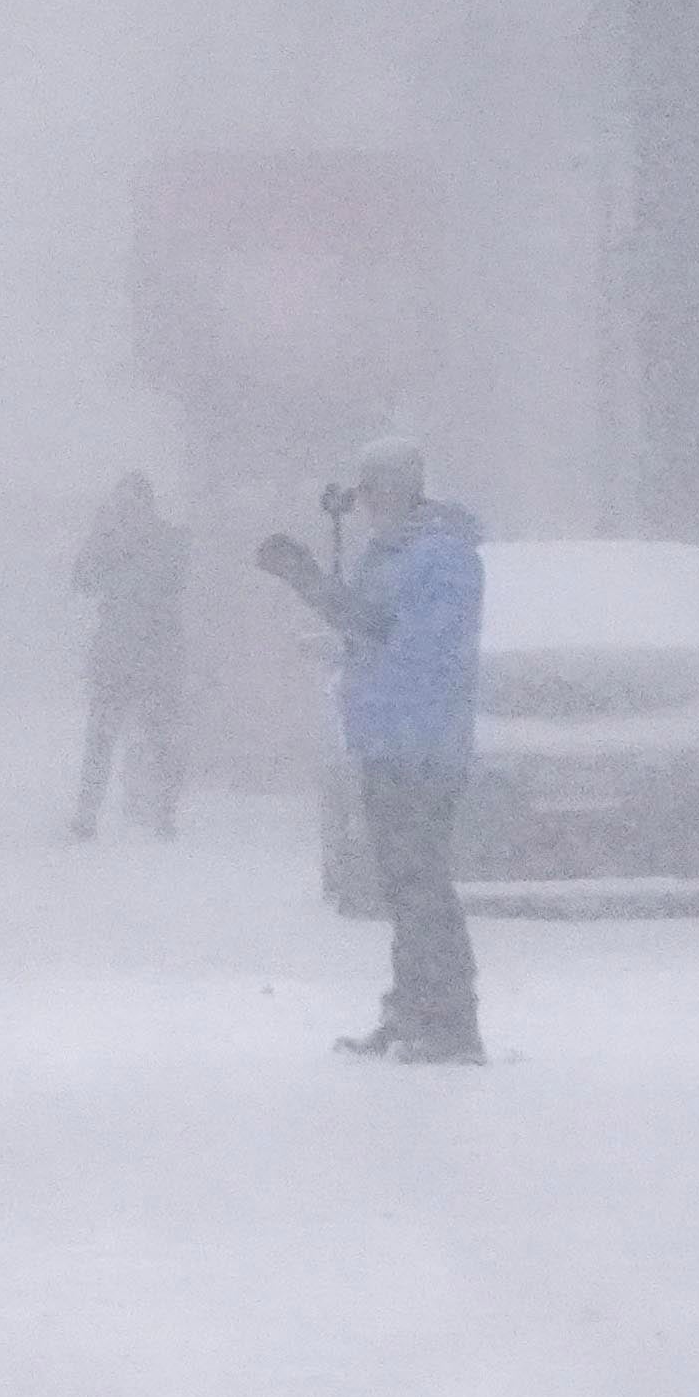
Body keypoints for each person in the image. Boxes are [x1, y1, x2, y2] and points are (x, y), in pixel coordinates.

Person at [251, 438, 487, 1065]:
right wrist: (312, 586)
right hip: (386, 738)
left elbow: (411, 641)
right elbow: (367, 625)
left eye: (375, 488)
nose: (367, 503)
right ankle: (412, 1012)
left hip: (425, 742)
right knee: (403, 883)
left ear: (405, 487)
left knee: (422, 881)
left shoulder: (443, 557)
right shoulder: (391, 555)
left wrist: (331, 600)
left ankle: (452, 1023)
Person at [71, 472, 187, 841]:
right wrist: (102, 541)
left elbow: (174, 583)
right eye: (123, 502)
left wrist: (128, 549)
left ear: (148, 505)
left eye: (134, 502)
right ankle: (86, 817)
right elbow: (82, 581)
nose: (128, 509)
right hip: (116, 655)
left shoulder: (168, 540)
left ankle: (165, 814)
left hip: (156, 654)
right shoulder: (107, 540)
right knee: (101, 739)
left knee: (160, 737)